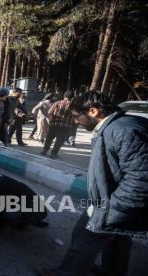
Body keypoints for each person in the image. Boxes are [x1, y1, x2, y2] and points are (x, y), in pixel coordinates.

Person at [39, 91, 148, 276]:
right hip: (115, 201)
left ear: (93, 111)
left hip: (114, 204)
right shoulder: (116, 127)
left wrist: (112, 209)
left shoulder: (122, 130)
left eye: (76, 117)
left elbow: (142, 178)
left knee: (84, 239)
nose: (75, 122)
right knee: (118, 240)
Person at [41, 90, 75, 158]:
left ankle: (44, 150)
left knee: (49, 138)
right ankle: (53, 154)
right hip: (65, 126)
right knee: (59, 141)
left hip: (54, 124)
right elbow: (75, 116)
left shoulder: (57, 103)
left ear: (64, 96)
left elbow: (50, 112)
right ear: (72, 97)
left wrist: (51, 120)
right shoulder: (73, 106)